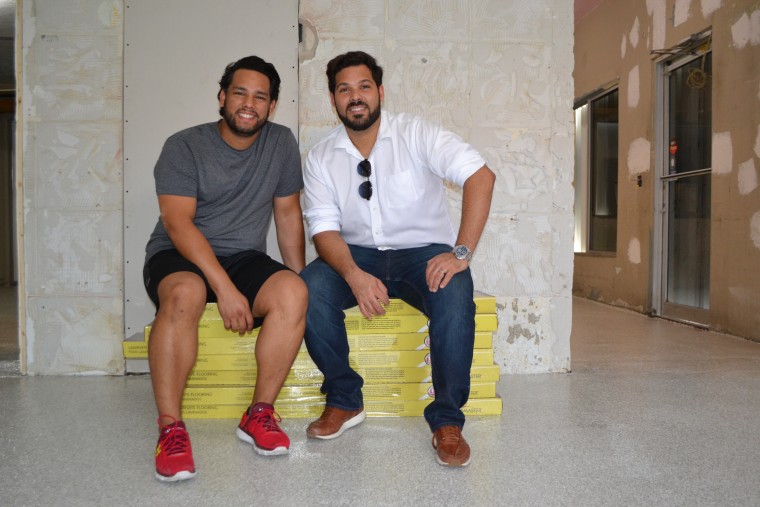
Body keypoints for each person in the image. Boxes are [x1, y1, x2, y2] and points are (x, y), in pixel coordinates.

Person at [300, 51, 495, 467]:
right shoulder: (320, 157)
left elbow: (480, 176)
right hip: (357, 254)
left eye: (364, 86)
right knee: (309, 286)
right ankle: (345, 398)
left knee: (455, 289)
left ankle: (447, 422)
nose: (356, 97)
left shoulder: (416, 133)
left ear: (380, 92)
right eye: (344, 89)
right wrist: (353, 274)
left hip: (421, 255)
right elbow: (323, 229)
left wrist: (460, 254)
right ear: (333, 99)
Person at [142, 55, 307, 482]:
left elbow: (288, 215)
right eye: (239, 92)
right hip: (180, 253)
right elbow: (178, 223)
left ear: (272, 105)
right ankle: (170, 429)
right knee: (186, 294)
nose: (248, 104)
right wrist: (227, 289)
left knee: (293, 293)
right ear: (222, 96)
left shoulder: (281, 143)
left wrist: (301, 279)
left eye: (260, 96)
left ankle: (259, 413)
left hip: (243, 255)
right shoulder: (184, 145)